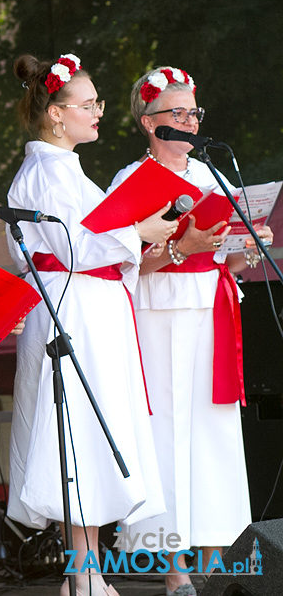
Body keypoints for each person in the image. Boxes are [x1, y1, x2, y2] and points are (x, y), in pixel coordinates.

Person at [5, 54, 176, 596]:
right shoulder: (46, 172)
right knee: (79, 431)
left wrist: (134, 231)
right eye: (89, 104)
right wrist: (138, 228)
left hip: (93, 307)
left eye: (99, 102)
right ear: (56, 114)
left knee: (95, 433)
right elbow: (73, 246)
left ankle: (90, 570)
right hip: (70, 308)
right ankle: (82, 573)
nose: (98, 112)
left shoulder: (68, 168)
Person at [109, 67, 270, 596]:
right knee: (166, 431)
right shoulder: (129, 179)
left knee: (209, 428)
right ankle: (172, 565)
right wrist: (183, 249)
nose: (189, 122)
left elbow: (227, 259)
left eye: (193, 113)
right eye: (177, 114)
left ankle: (216, 555)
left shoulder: (209, 176)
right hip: (157, 311)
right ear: (148, 123)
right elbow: (120, 263)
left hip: (209, 309)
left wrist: (247, 246)